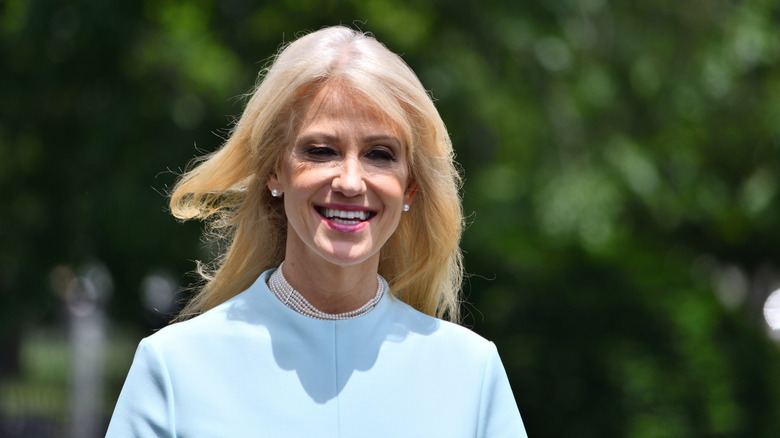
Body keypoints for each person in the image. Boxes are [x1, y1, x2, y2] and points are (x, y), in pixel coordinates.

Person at [107, 26, 528, 437]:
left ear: (410, 186)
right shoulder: (173, 367)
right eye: (321, 151)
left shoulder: (472, 374)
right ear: (274, 170)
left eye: (379, 154)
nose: (349, 181)